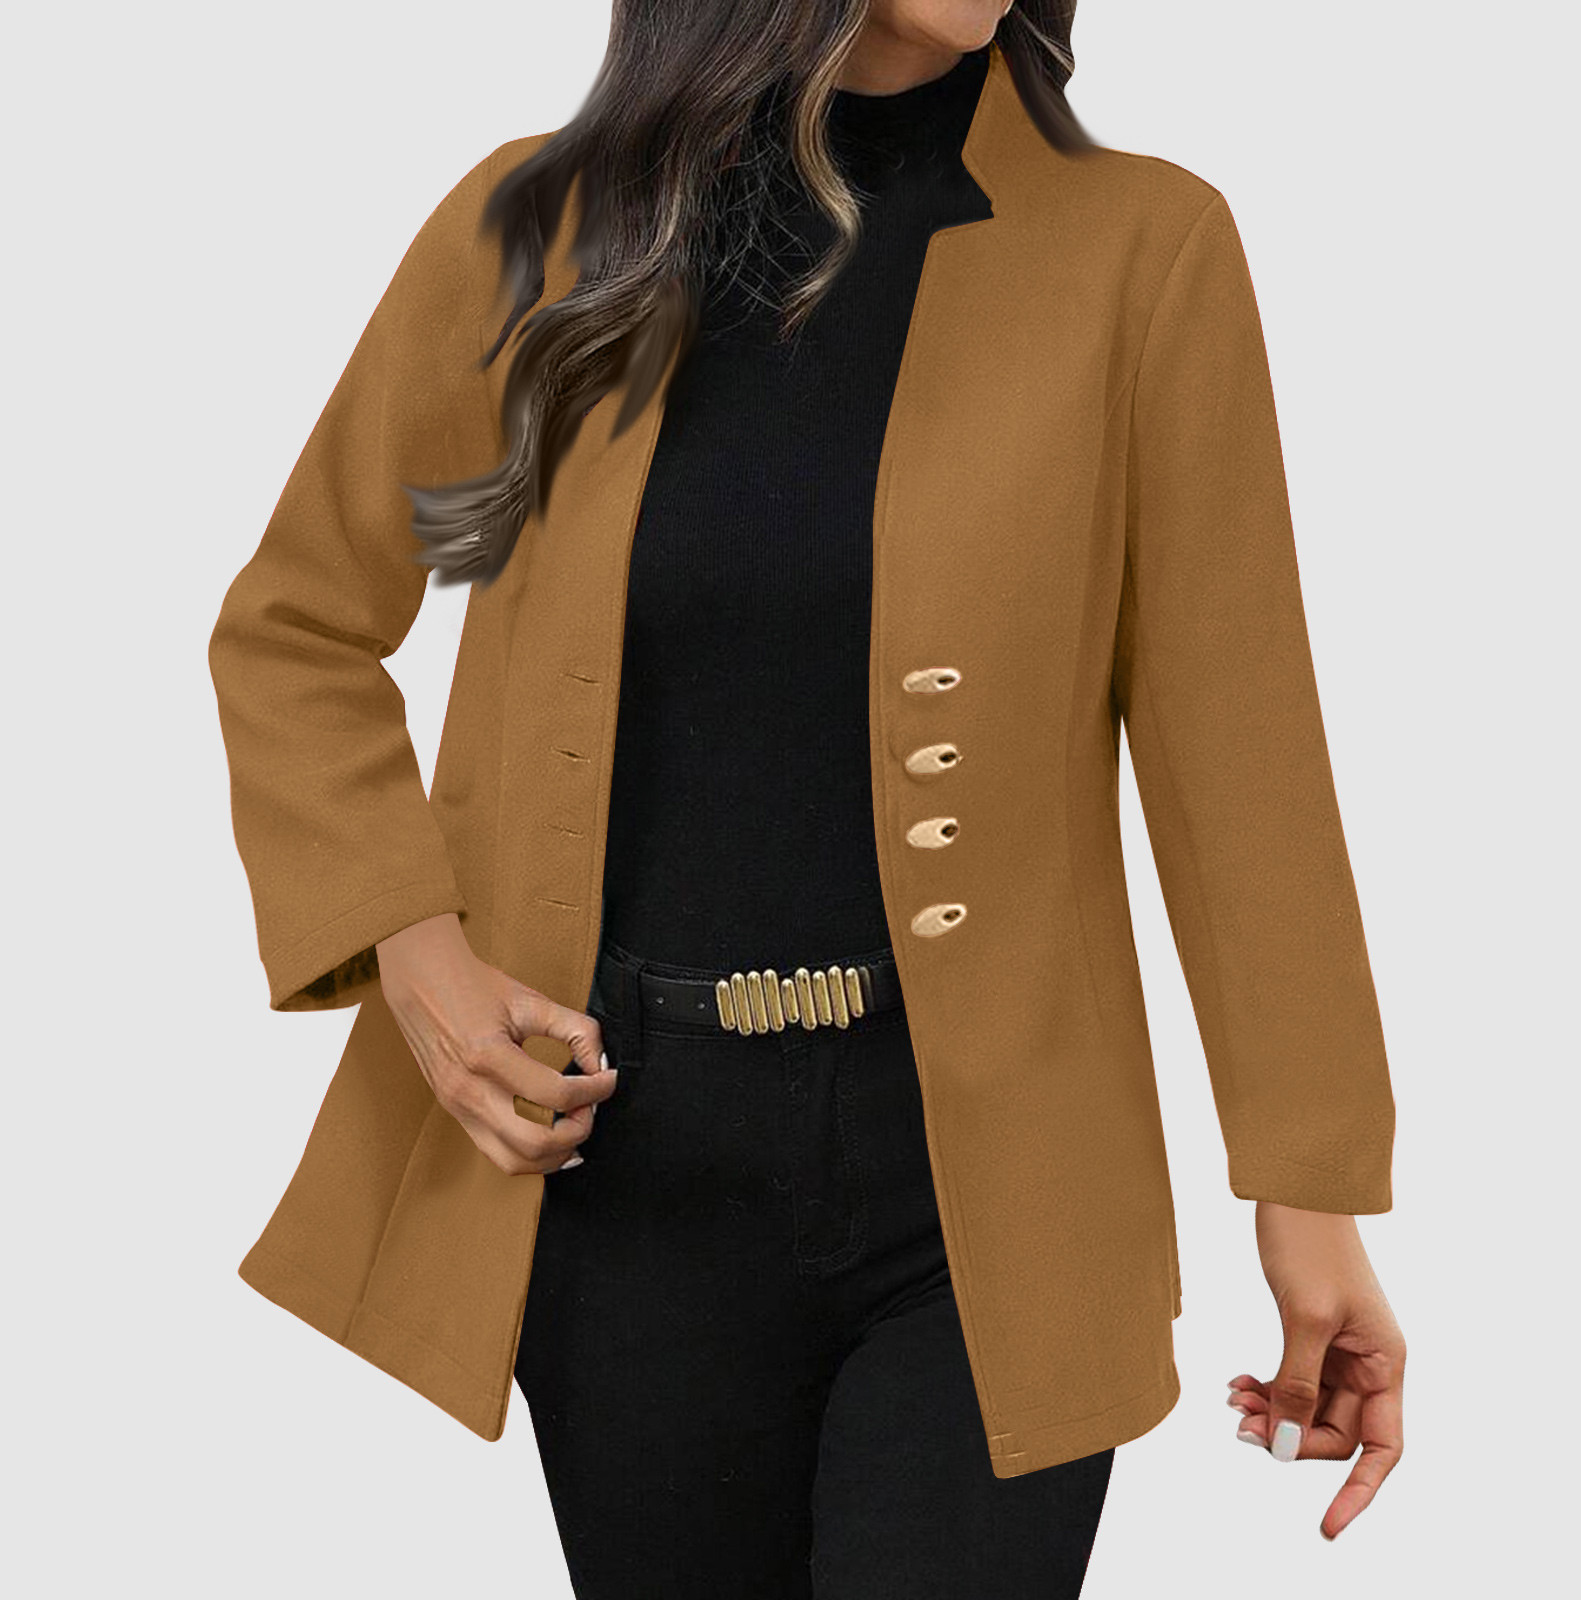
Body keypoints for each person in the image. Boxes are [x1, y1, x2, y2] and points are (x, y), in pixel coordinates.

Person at [210, 2, 1406, 1595]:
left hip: (992, 1195)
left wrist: (1310, 1189)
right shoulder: (534, 234)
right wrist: (418, 959)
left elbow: (1241, 749)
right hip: (619, 1179)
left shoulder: (1146, 247)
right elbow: (294, 631)